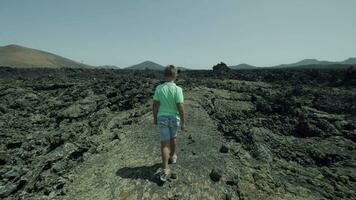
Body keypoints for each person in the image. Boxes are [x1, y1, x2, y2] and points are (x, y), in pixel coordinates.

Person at [152, 65, 185, 182]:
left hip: (162, 118)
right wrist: (183, 122)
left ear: (164, 75)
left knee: (165, 144)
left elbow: (155, 105)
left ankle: (165, 168)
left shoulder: (159, 88)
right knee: (173, 138)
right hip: (174, 118)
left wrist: (155, 118)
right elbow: (180, 107)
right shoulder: (178, 89)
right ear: (175, 75)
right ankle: (173, 157)